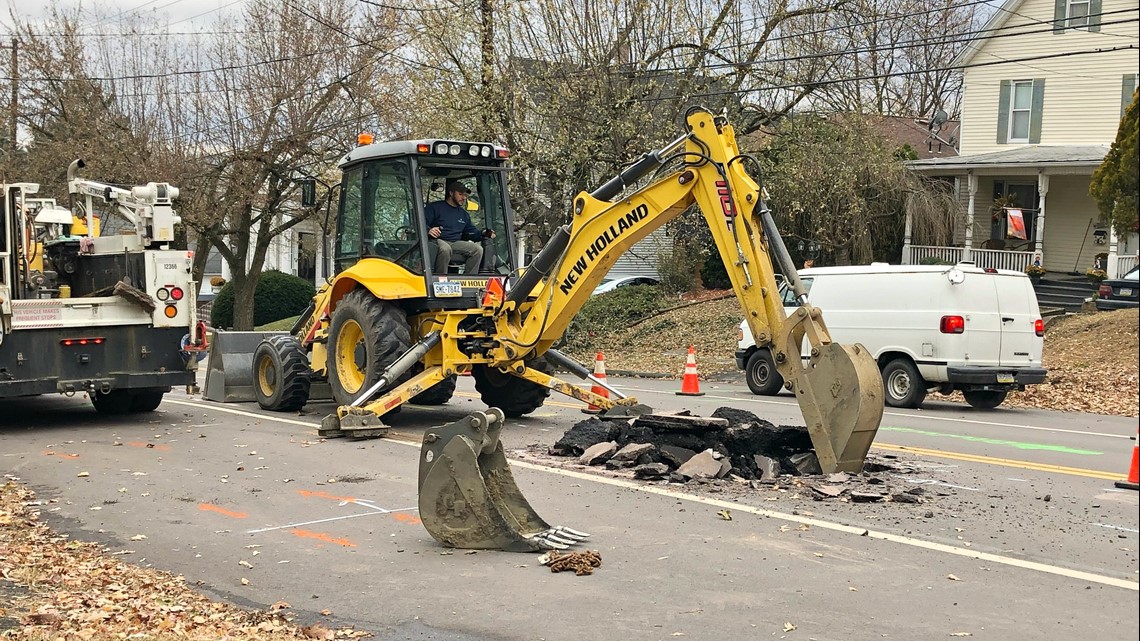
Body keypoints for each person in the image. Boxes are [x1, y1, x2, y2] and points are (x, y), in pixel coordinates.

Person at [424, 181, 493, 274]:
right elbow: (421, 223)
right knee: (445, 249)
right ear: (451, 193)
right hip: (436, 241)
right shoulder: (434, 207)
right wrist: (429, 230)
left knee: (477, 249)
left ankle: (469, 279)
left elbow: (471, 232)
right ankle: (441, 278)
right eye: (460, 194)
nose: (464, 198)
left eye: (465, 195)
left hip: (454, 243)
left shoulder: (463, 214)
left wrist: (484, 233)